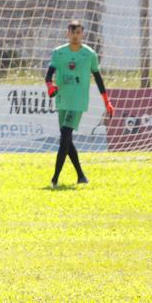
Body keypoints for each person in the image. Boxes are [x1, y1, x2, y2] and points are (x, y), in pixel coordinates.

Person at [45, 20, 115, 188]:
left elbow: (98, 78)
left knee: (65, 136)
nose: (75, 36)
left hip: (78, 101)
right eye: (72, 32)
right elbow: (48, 76)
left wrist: (107, 101)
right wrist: (50, 86)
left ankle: (55, 179)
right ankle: (81, 176)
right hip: (63, 99)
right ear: (67, 33)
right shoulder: (58, 53)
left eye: (78, 33)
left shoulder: (89, 55)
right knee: (66, 139)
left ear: (82, 34)